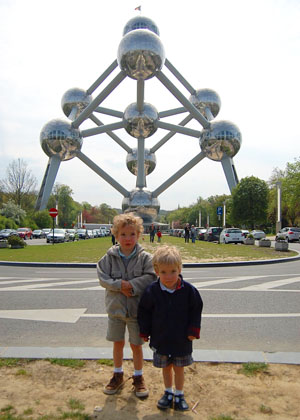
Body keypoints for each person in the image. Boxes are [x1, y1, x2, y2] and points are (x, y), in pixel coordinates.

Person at [97, 213, 157, 398]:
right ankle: (117, 373)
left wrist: (131, 286)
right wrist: (118, 286)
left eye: (132, 234)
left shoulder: (146, 258)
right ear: (116, 235)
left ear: (139, 235)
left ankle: (138, 377)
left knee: (136, 345)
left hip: (136, 310)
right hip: (115, 309)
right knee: (117, 343)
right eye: (123, 234)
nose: (127, 238)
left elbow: (151, 277)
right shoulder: (109, 257)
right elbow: (102, 277)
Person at [137, 245, 203, 411]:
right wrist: (144, 331)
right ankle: (168, 393)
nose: (168, 276)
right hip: (161, 338)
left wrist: (194, 330)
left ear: (179, 269)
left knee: (179, 368)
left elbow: (196, 309)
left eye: (173, 271)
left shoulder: (188, 291)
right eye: (163, 272)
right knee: (166, 368)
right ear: (156, 271)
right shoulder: (152, 291)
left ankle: (179, 394)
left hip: (182, 339)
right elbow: (144, 311)